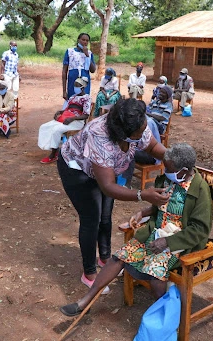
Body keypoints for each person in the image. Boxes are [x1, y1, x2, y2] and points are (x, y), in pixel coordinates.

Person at [60, 143, 212, 316]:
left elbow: (200, 229)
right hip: (156, 232)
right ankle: (84, 303)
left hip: (180, 242)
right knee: (119, 257)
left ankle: (164, 318)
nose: (166, 172)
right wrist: (143, 212)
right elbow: (161, 206)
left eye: (169, 169)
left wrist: (166, 242)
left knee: (155, 273)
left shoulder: (200, 190)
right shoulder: (167, 180)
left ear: (184, 170)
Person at [57, 98, 168, 294]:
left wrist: (173, 158)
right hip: (77, 170)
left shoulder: (134, 122)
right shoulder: (99, 136)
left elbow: (151, 147)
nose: (144, 133)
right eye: (140, 132)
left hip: (106, 169)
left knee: (106, 217)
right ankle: (89, 274)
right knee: (92, 219)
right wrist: (143, 195)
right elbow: (108, 186)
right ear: (122, 134)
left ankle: (105, 258)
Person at [121, 86, 174, 185]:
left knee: (130, 153)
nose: (160, 94)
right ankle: (123, 180)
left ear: (168, 96)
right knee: (128, 150)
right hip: (148, 132)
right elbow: (147, 110)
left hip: (158, 126)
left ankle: (126, 183)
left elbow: (162, 118)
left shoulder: (167, 106)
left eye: (163, 93)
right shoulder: (155, 102)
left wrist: (149, 115)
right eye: (160, 92)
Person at [38, 77, 91, 164]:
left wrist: (72, 118)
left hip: (77, 122)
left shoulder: (86, 98)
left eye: (77, 86)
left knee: (56, 130)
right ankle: (52, 147)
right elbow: (67, 109)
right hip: (67, 118)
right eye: (74, 85)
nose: (75, 88)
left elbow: (85, 115)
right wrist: (59, 112)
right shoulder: (73, 97)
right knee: (44, 127)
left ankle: (53, 155)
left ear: (82, 87)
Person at [62, 33, 96, 101]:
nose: (85, 42)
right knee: (72, 101)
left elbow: (93, 70)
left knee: (84, 101)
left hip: (84, 82)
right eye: (83, 40)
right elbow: (64, 71)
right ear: (78, 40)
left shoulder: (89, 53)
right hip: (73, 81)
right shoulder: (70, 51)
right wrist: (64, 91)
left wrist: (87, 55)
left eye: (87, 41)